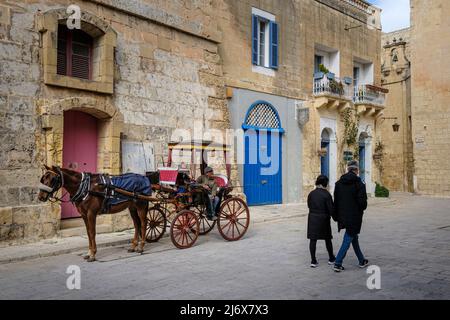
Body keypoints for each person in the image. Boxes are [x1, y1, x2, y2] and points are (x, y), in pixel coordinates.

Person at [333, 160, 369, 272]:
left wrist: (336, 215)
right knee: (348, 238)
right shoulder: (359, 183)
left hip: (342, 215)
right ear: (356, 170)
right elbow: (363, 204)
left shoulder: (338, 184)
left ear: (348, 169)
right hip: (354, 216)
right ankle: (338, 262)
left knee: (353, 237)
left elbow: (336, 201)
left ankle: (361, 260)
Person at [307, 175, 336, 268]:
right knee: (327, 239)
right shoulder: (327, 194)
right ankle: (331, 258)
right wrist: (336, 218)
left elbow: (309, 205)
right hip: (324, 219)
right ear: (325, 183)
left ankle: (313, 260)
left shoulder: (311, 194)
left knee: (313, 239)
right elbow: (331, 209)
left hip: (312, 218)